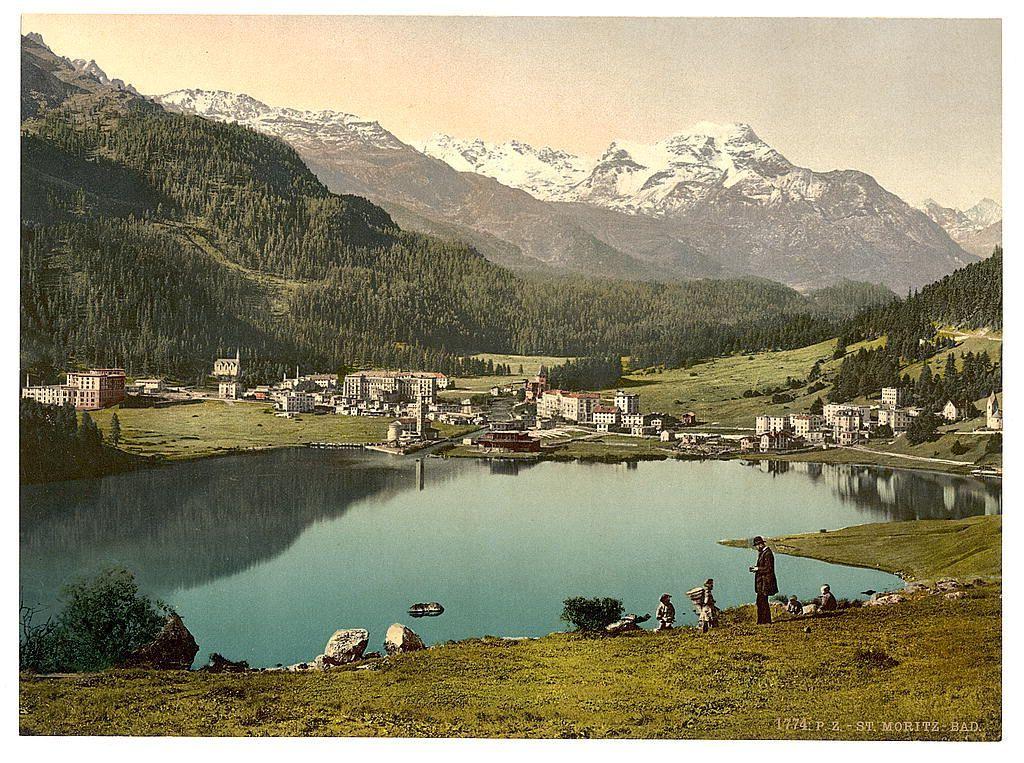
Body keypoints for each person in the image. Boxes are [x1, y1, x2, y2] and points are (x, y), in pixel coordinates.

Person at [749, 536, 778, 625]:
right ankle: (763, 621)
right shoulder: (764, 553)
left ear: (761, 544)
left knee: (762, 601)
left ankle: (764, 621)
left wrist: (757, 569)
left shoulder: (767, 553)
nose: (756, 548)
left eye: (757, 546)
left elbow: (769, 568)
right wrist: (757, 568)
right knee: (761, 601)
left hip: (765, 582)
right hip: (763, 582)